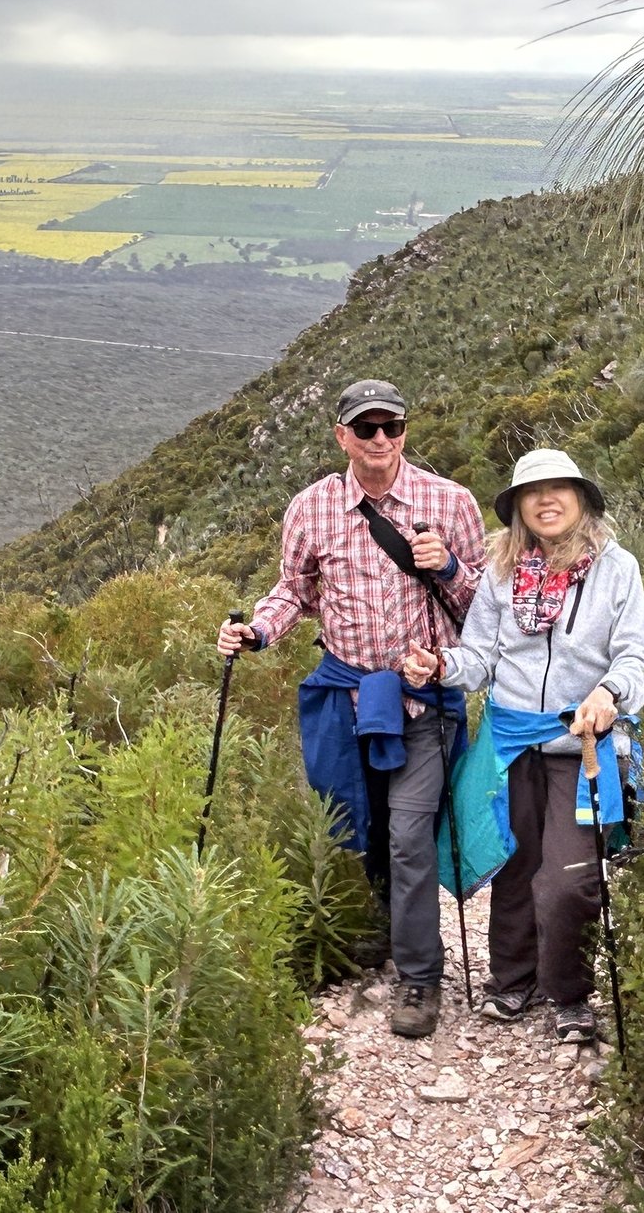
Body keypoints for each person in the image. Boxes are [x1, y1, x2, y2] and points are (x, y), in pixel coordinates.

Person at [218, 379, 486, 1040]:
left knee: (409, 834)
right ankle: (387, 931)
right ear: (342, 436)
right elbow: (294, 591)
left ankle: (419, 977)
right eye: (365, 428)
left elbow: (484, 609)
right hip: (349, 700)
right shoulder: (311, 509)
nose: (379, 439)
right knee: (361, 827)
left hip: (424, 700)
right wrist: (256, 632)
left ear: (405, 431)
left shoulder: (450, 502)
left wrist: (449, 568)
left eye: (391, 426)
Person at [403, 447, 644, 1044]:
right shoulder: (501, 573)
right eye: (531, 493)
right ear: (518, 507)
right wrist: (441, 666)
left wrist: (610, 692)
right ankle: (513, 980)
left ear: (581, 499)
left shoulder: (617, 569)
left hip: (583, 744)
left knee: (569, 877)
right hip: (510, 742)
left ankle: (568, 992)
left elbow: (637, 654)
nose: (546, 500)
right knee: (513, 864)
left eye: (558, 488)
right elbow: (480, 657)